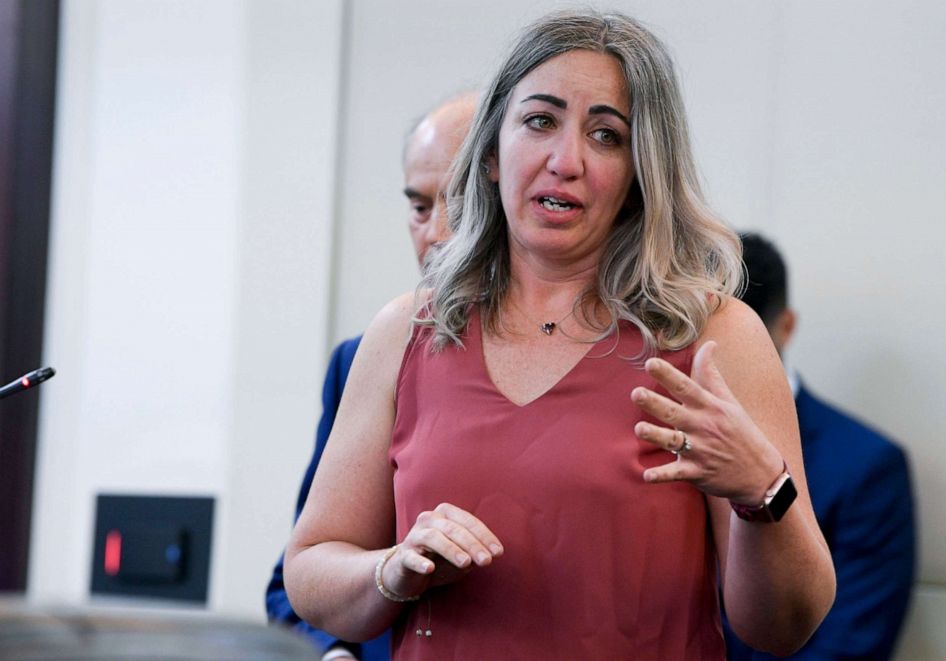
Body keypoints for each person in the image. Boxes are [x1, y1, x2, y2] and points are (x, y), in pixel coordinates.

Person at [284, 10, 836, 659]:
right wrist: (394, 570)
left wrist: (762, 492)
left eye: (606, 135)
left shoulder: (715, 334)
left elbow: (784, 626)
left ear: (639, 175)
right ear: (490, 153)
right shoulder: (407, 331)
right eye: (540, 121)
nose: (566, 160)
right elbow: (311, 569)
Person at [265, 92, 478, 661]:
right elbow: (296, 580)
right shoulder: (365, 359)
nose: (435, 234)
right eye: (418, 207)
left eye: (458, 203)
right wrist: (336, 651)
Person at [725, 233, 915, 660]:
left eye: (741, 335)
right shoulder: (647, 442)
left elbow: (851, 645)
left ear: (786, 327)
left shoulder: (866, 467)